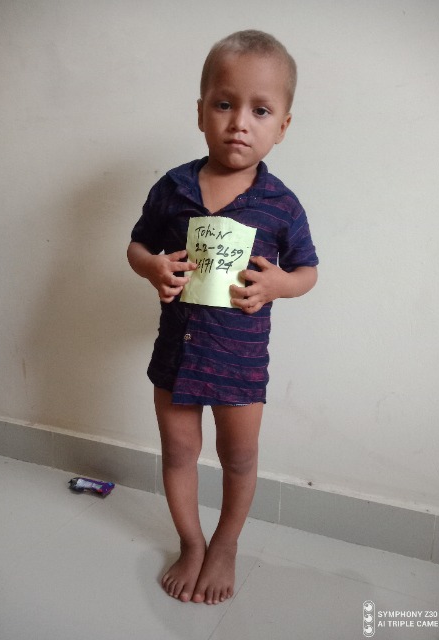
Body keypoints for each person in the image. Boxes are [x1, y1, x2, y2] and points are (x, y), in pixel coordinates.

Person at [127, 29, 318, 605]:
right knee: (178, 453)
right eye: (225, 104)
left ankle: (226, 543)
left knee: (239, 458)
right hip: (176, 355)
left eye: (260, 110)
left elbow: (308, 272)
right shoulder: (174, 188)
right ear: (201, 112)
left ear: (283, 125)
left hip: (239, 361)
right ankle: (191, 543)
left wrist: (280, 284)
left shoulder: (281, 204)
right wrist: (152, 267)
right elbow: (137, 246)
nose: (240, 122)